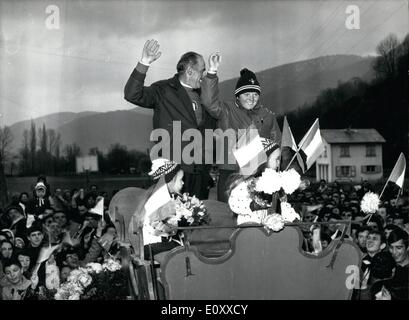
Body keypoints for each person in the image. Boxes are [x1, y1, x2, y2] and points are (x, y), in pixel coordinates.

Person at [124, 39, 216, 199]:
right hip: (174, 173)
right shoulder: (164, 90)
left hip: (200, 172)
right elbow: (132, 94)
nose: (203, 76)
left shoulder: (204, 96)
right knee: (174, 221)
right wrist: (144, 62)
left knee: (198, 221)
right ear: (189, 71)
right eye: (202, 71)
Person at [201, 53, 281, 202]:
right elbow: (208, 102)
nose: (252, 98)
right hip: (230, 172)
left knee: (257, 215)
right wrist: (211, 72)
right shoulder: (225, 110)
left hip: (259, 173)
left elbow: (278, 145)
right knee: (228, 215)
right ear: (237, 96)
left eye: (255, 94)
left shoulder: (267, 115)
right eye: (247, 94)